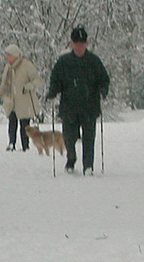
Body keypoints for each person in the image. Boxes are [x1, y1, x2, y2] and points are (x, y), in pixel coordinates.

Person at [46, 26, 109, 175]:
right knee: (69, 137)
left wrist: (103, 90)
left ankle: (88, 166)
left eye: (82, 43)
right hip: (69, 107)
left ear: (86, 44)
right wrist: (52, 92)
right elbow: (55, 80)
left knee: (89, 138)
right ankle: (71, 159)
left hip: (90, 106)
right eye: (76, 43)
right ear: (72, 44)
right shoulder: (63, 62)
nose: (79, 46)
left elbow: (104, 79)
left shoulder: (94, 61)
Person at [0, 44, 43, 151]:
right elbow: (4, 85)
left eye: (9, 55)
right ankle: (11, 143)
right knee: (12, 123)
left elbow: (38, 80)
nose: (7, 58)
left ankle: (25, 146)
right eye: (6, 55)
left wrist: (30, 86)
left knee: (25, 125)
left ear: (15, 55)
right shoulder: (8, 67)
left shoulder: (27, 65)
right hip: (11, 101)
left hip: (24, 101)